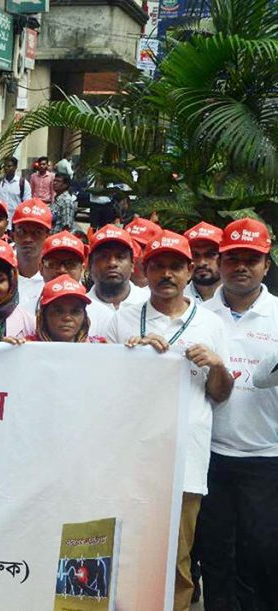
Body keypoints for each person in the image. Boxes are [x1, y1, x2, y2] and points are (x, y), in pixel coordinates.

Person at [107, 230, 232, 611]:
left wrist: (216, 365)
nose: (166, 274)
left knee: (176, 558)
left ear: (190, 270)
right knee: (124, 549)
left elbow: (221, 394)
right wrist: (132, 359)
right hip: (130, 457)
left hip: (185, 460)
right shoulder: (123, 320)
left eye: (175, 266)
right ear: (144, 270)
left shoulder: (211, 324)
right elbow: (105, 390)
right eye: (158, 266)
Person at [199, 218, 278, 610]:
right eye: (233, 259)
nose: (241, 267)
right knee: (215, 557)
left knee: (262, 556)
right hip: (209, 455)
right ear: (220, 262)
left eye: (252, 259)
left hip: (266, 457)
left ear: (267, 264)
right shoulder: (198, 314)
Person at [40, 231, 113, 335]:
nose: (62, 270)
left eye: (70, 264)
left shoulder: (103, 315)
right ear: (41, 268)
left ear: (82, 269)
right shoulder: (24, 311)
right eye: (54, 263)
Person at [86, 225, 149, 317]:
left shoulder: (151, 303)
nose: (112, 263)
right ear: (90, 266)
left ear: (132, 265)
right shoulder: (80, 307)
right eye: (104, 256)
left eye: (120, 257)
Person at [11, 200, 52, 316]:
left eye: (37, 232)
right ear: (12, 234)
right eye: (22, 231)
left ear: (47, 236)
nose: (28, 239)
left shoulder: (54, 273)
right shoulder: (1, 267)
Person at [183, 221, 222, 302]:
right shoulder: (175, 300)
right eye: (194, 255)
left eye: (211, 254)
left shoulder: (239, 298)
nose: (202, 263)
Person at [125, 217, 163, 288]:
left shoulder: (171, 292)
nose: (135, 252)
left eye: (142, 247)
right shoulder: (108, 287)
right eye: (131, 246)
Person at [0, 156, 30, 222]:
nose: (6, 168)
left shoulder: (23, 183)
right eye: (5, 166)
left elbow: (27, 203)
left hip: (16, 219)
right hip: (1, 219)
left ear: (15, 167)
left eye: (9, 166)